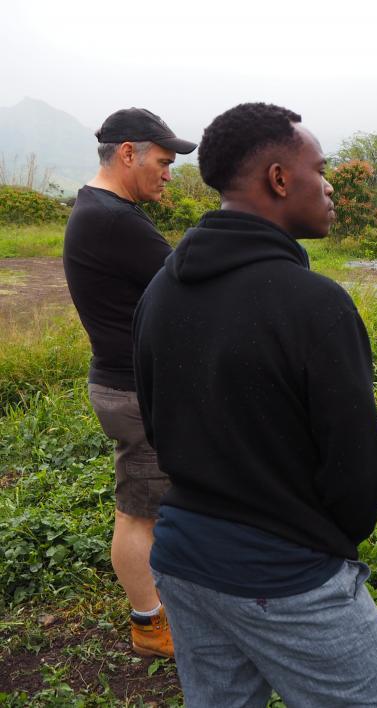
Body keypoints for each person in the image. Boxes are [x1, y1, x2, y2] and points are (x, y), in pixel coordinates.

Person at [132, 102, 377, 707]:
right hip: (285, 575)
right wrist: (318, 546)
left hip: (181, 557)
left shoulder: (161, 288)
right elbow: (356, 469)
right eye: (321, 168)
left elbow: (155, 423)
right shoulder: (315, 303)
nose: (331, 184)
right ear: (280, 180)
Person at [63, 108, 197, 658]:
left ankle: (166, 599)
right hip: (134, 391)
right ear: (128, 153)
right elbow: (186, 282)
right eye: (163, 161)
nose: (169, 173)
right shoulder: (114, 218)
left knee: (154, 502)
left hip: (129, 384)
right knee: (137, 511)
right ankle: (149, 624)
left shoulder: (99, 209)